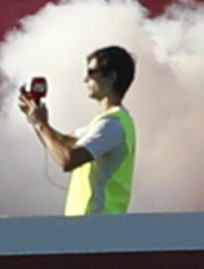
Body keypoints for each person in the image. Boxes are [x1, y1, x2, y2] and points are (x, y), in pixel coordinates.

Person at [23, 45, 136, 215]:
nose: (85, 79)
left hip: (97, 224)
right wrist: (35, 118)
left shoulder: (110, 125)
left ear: (111, 77)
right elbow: (63, 141)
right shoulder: (110, 122)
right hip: (92, 225)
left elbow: (67, 159)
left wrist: (41, 124)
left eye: (91, 72)